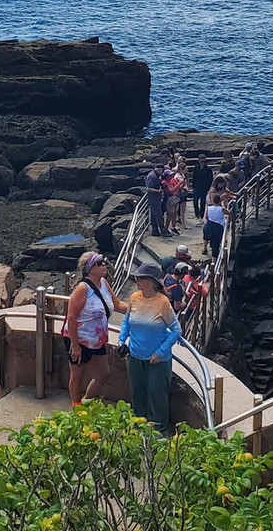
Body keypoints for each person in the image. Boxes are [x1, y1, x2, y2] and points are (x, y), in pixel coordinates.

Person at [119, 261, 182, 433]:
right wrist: (121, 341)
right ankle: (138, 423)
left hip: (158, 360)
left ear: (152, 282)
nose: (137, 281)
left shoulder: (163, 302)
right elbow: (126, 322)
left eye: (141, 278)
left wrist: (160, 353)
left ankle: (160, 429)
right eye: (137, 278)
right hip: (135, 355)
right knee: (137, 392)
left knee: (157, 394)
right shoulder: (134, 298)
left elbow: (176, 330)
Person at [62, 251, 129, 407]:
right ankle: (77, 407)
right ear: (90, 268)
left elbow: (118, 305)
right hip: (80, 339)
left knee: (103, 374)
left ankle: (86, 400)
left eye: (103, 260)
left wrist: (139, 307)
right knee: (77, 376)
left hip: (96, 340)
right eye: (99, 262)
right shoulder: (82, 289)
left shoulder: (104, 283)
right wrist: (75, 346)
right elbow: (71, 317)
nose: (104, 264)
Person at [144, 164, 168, 237]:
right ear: (159, 170)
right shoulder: (153, 177)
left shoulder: (154, 175)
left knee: (154, 215)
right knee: (158, 214)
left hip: (154, 198)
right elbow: (149, 188)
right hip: (153, 198)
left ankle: (155, 230)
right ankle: (163, 230)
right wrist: (158, 191)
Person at [202, 192, 226, 259]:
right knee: (216, 244)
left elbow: (206, 217)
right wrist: (223, 204)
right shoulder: (222, 209)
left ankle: (204, 248)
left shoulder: (209, 208)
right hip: (217, 228)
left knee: (205, 237)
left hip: (208, 225)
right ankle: (214, 261)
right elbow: (228, 212)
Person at [191, 154, 214, 222]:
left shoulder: (208, 169)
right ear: (199, 161)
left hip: (204, 188)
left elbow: (210, 179)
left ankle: (201, 216)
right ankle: (197, 215)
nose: (203, 163)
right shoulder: (196, 167)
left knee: (202, 202)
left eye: (204, 161)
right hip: (196, 187)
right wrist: (193, 186)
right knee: (195, 201)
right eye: (201, 162)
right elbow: (194, 177)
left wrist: (208, 188)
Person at [161, 168, 182, 235]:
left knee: (175, 213)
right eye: (170, 175)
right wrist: (179, 183)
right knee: (169, 215)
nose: (171, 176)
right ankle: (166, 228)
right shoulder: (164, 183)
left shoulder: (172, 181)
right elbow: (171, 191)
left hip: (175, 199)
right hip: (169, 200)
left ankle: (173, 227)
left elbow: (177, 188)